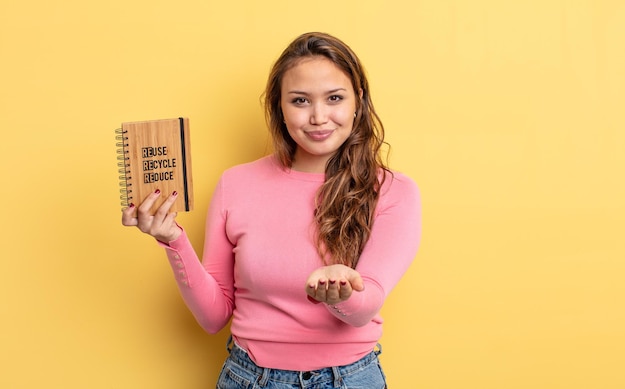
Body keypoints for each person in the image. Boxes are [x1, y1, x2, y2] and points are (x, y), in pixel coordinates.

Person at [122, 32, 421, 389]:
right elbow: (214, 316)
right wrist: (173, 240)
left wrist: (341, 290)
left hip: (350, 379)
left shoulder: (392, 191)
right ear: (280, 107)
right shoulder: (236, 184)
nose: (318, 117)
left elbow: (363, 309)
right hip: (249, 378)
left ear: (358, 102)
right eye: (300, 101)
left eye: (334, 98)